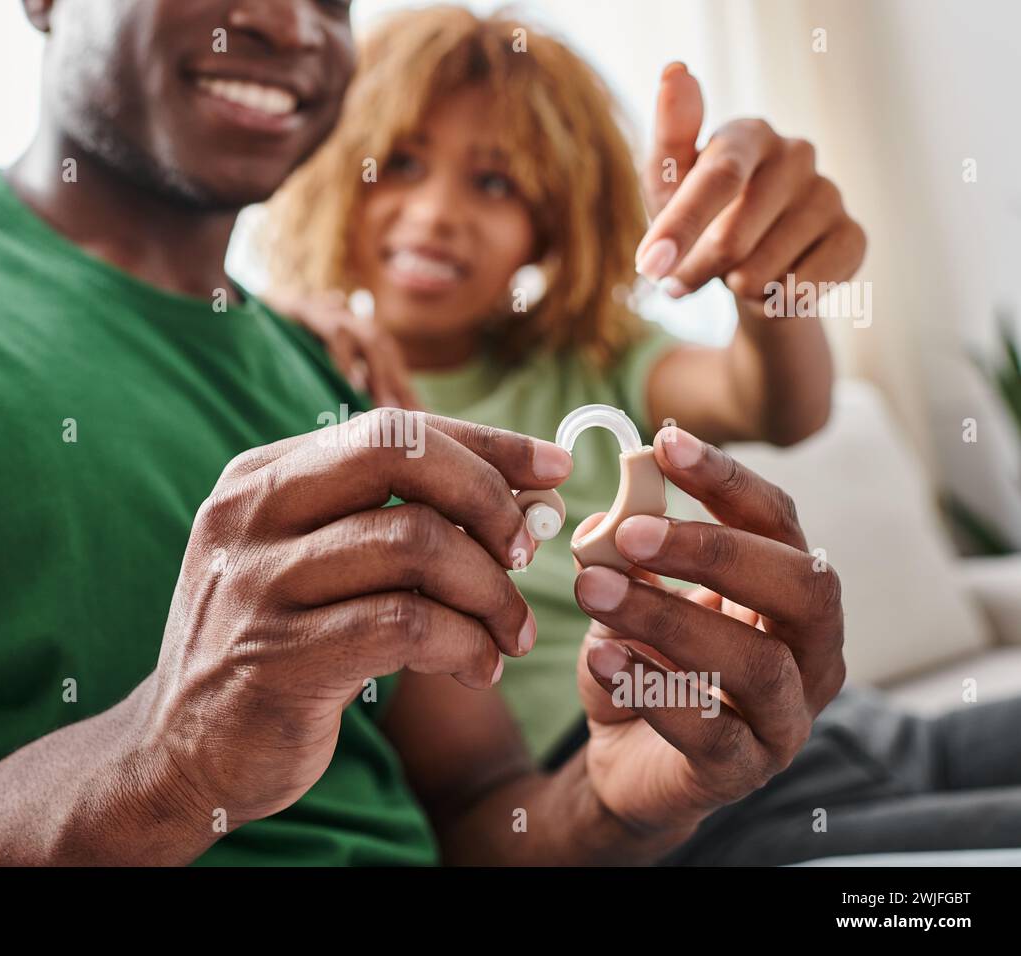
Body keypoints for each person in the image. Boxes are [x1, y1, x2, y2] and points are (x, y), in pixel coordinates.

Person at [0, 0, 844, 866]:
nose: (286, 21)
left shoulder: (345, 387)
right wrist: (156, 762)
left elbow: (477, 812)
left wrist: (622, 797)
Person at [266, 5, 1021, 864]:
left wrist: (768, 290)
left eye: (494, 183)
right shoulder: (305, 387)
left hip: (839, 725)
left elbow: (778, 402)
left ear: (548, 228)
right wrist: (278, 323)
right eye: (399, 163)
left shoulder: (588, 361)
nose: (436, 213)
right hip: (669, 795)